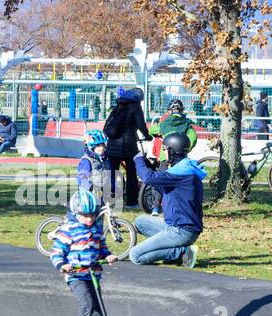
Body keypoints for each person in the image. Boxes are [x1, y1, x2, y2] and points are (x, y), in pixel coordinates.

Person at [49, 190, 118, 316]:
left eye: (92, 215)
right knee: (87, 305)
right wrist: (63, 265)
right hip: (76, 276)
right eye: (85, 216)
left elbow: (101, 248)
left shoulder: (96, 230)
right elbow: (56, 252)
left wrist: (107, 256)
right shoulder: (69, 230)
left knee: (97, 311)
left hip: (93, 274)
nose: (89, 219)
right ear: (76, 213)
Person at [130, 131, 204, 267]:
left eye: (164, 149)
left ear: (172, 150)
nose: (163, 152)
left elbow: (148, 178)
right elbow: (161, 186)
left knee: (135, 256)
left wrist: (139, 159)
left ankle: (181, 252)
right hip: (176, 226)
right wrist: (148, 166)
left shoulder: (179, 173)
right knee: (140, 222)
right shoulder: (185, 169)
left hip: (181, 231)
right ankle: (171, 249)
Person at [102, 86, 151, 211]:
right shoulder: (135, 107)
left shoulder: (119, 105)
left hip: (113, 145)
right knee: (131, 174)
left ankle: (110, 200)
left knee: (111, 173)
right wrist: (148, 136)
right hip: (128, 146)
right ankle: (131, 201)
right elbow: (141, 125)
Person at [77, 129, 114, 206]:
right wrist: (91, 188)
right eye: (98, 146)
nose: (102, 148)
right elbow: (81, 178)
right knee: (89, 216)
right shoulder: (87, 161)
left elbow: (109, 175)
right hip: (89, 195)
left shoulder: (105, 159)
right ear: (91, 147)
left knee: (101, 215)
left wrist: (114, 187)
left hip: (103, 195)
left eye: (103, 145)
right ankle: (72, 217)